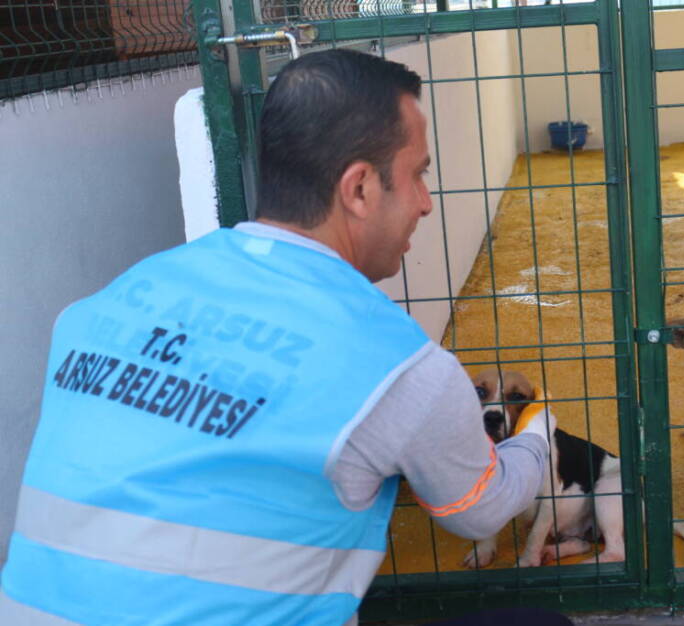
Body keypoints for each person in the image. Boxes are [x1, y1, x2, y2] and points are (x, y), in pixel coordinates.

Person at [0, 49, 566, 625]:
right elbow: (480, 510)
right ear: (360, 188)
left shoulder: (100, 305)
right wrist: (538, 429)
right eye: (418, 174)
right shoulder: (400, 367)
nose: (425, 202)